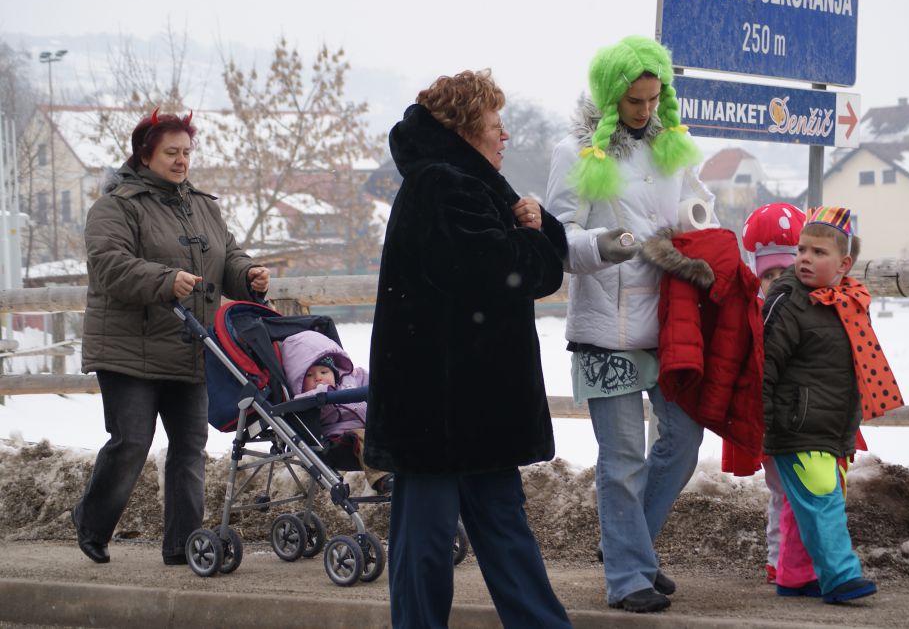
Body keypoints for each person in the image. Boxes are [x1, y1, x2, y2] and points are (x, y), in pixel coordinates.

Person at [363, 70, 572, 629]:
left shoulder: (463, 183)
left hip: (470, 408)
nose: (504, 137)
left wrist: (535, 229)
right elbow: (497, 273)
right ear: (464, 129)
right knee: (429, 549)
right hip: (439, 411)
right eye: (495, 126)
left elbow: (516, 267)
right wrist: (533, 237)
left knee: (503, 537)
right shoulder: (442, 184)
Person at [545, 35, 714, 614]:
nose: (644, 112)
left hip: (671, 326)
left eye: (653, 98)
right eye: (633, 102)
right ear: (611, 95)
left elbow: (703, 213)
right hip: (605, 328)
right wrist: (600, 245)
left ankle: (627, 545)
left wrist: (700, 235)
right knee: (622, 460)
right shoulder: (574, 153)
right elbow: (554, 242)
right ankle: (627, 576)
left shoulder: (676, 147)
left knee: (684, 440)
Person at [72, 109, 270, 565]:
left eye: (186, 152)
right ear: (146, 154)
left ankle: (185, 544)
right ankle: (91, 521)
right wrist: (165, 280)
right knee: (132, 442)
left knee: (189, 450)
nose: (182, 161)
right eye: (171, 153)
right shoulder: (115, 206)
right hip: (128, 349)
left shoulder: (202, 205)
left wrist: (248, 275)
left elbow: (228, 255)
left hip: (189, 345)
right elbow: (109, 265)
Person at [762, 206, 902, 603]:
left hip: (830, 425)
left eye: (818, 253)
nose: (805, 258)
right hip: (797, 424)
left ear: (844, 263)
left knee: (805, 503)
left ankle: (794, 576)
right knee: (822, 498)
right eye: (802, 250)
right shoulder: (789, 301)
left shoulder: (846, 303)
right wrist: (763, 420)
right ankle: (840, 576)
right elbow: (765, 362)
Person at [722, 202, 805, 583]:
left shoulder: (815, 311)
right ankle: (780, 559)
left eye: (785, 271)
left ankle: (803, 558)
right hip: (772, 422)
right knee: (783, 492)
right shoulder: (755, 315)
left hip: (814, 417)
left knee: (813, 492)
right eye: (768, 274)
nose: (777, 281)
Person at [279, 329, 392, 494]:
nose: (318, 378)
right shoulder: (306, 398)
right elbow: (307, 408)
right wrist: (323, 393)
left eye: (324, 372)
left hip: (372, 427)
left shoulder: (352, 378)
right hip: (339, 441)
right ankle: (383, 478)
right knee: (363, 436)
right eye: (309, 376)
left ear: (335, 372)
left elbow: (376, 382)